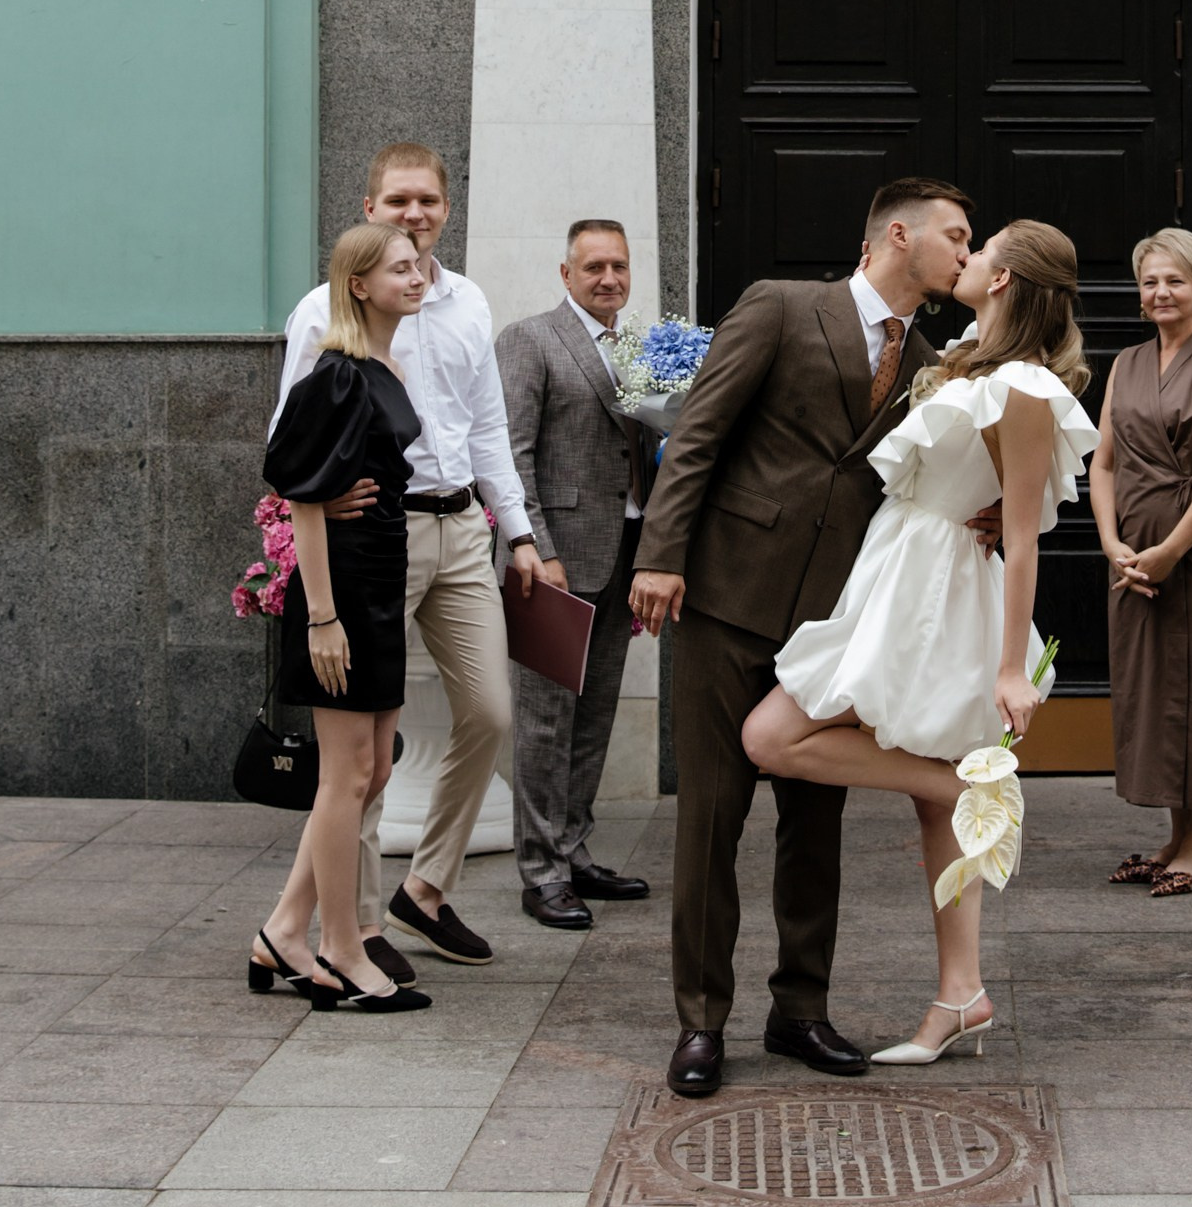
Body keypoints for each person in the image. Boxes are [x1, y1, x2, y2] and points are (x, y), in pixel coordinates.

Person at [629, 179, 971, 1098]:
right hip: (727, 598)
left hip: (834, 623)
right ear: (897, 235)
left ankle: (800, 1009)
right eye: (955, 236)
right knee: (710, 819)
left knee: (816, 826)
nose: (965, 255)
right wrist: (660, 555)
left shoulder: (931, 361)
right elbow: (698, 434)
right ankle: (702, 1021)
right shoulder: (781, 307)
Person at [747, 221, 1098, 1066]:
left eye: (981, 249)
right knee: (931, 803)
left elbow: (1024, 533)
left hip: (936, 591)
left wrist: (1011, 667)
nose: (965, 258)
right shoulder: (970, 357)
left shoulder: (1023, 387)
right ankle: (962, 992)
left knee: (771, 736)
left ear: (1004, 279)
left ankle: (963, 788)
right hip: (897, 571)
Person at [275, 143, 547, 970]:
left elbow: (489, 425)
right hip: (375, 537)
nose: (414, 214)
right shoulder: (321, 312)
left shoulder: (467, 303)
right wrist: (315, 513)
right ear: (369, 208)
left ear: (446, 209)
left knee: (490, 714)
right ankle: (356, 928)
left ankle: (423, 891)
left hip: (461, 528)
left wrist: (520, 531)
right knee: (365, 751)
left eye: (427, 200)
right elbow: (291, 443)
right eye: (398, 201)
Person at [248, 224, 433, 1012]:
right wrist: (322, 619)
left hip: (381, 583)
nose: (417, 277)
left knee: (375, 769)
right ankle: (340, 947)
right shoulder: (336, 373)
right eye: (399, 269)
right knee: (347, 774)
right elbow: (300, 492)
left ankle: (284, 930)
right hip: (344, 592)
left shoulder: (385, 366)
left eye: (418, 266)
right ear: (359, 284)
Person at [496, 218, 658, 932]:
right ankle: (541, 873)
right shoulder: (530, 340)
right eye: (593, 267)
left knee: (593, 715)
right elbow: (510, 454)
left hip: (624, 556)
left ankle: (572, 849)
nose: (608, 279)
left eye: (618, 266)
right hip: (553, 563)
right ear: (566, 274)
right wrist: (534, 544)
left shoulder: (640, 350)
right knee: (544, 722)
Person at [1088, 228, 1192, 899]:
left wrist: (1171, 550)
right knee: (1153, 689)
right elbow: (1103, 462)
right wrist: (1111, 542)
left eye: (1175, 280)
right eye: (1151, 281)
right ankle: (1173, 840)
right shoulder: (1125, 363)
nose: (1162, 292)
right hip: (1134, 553)